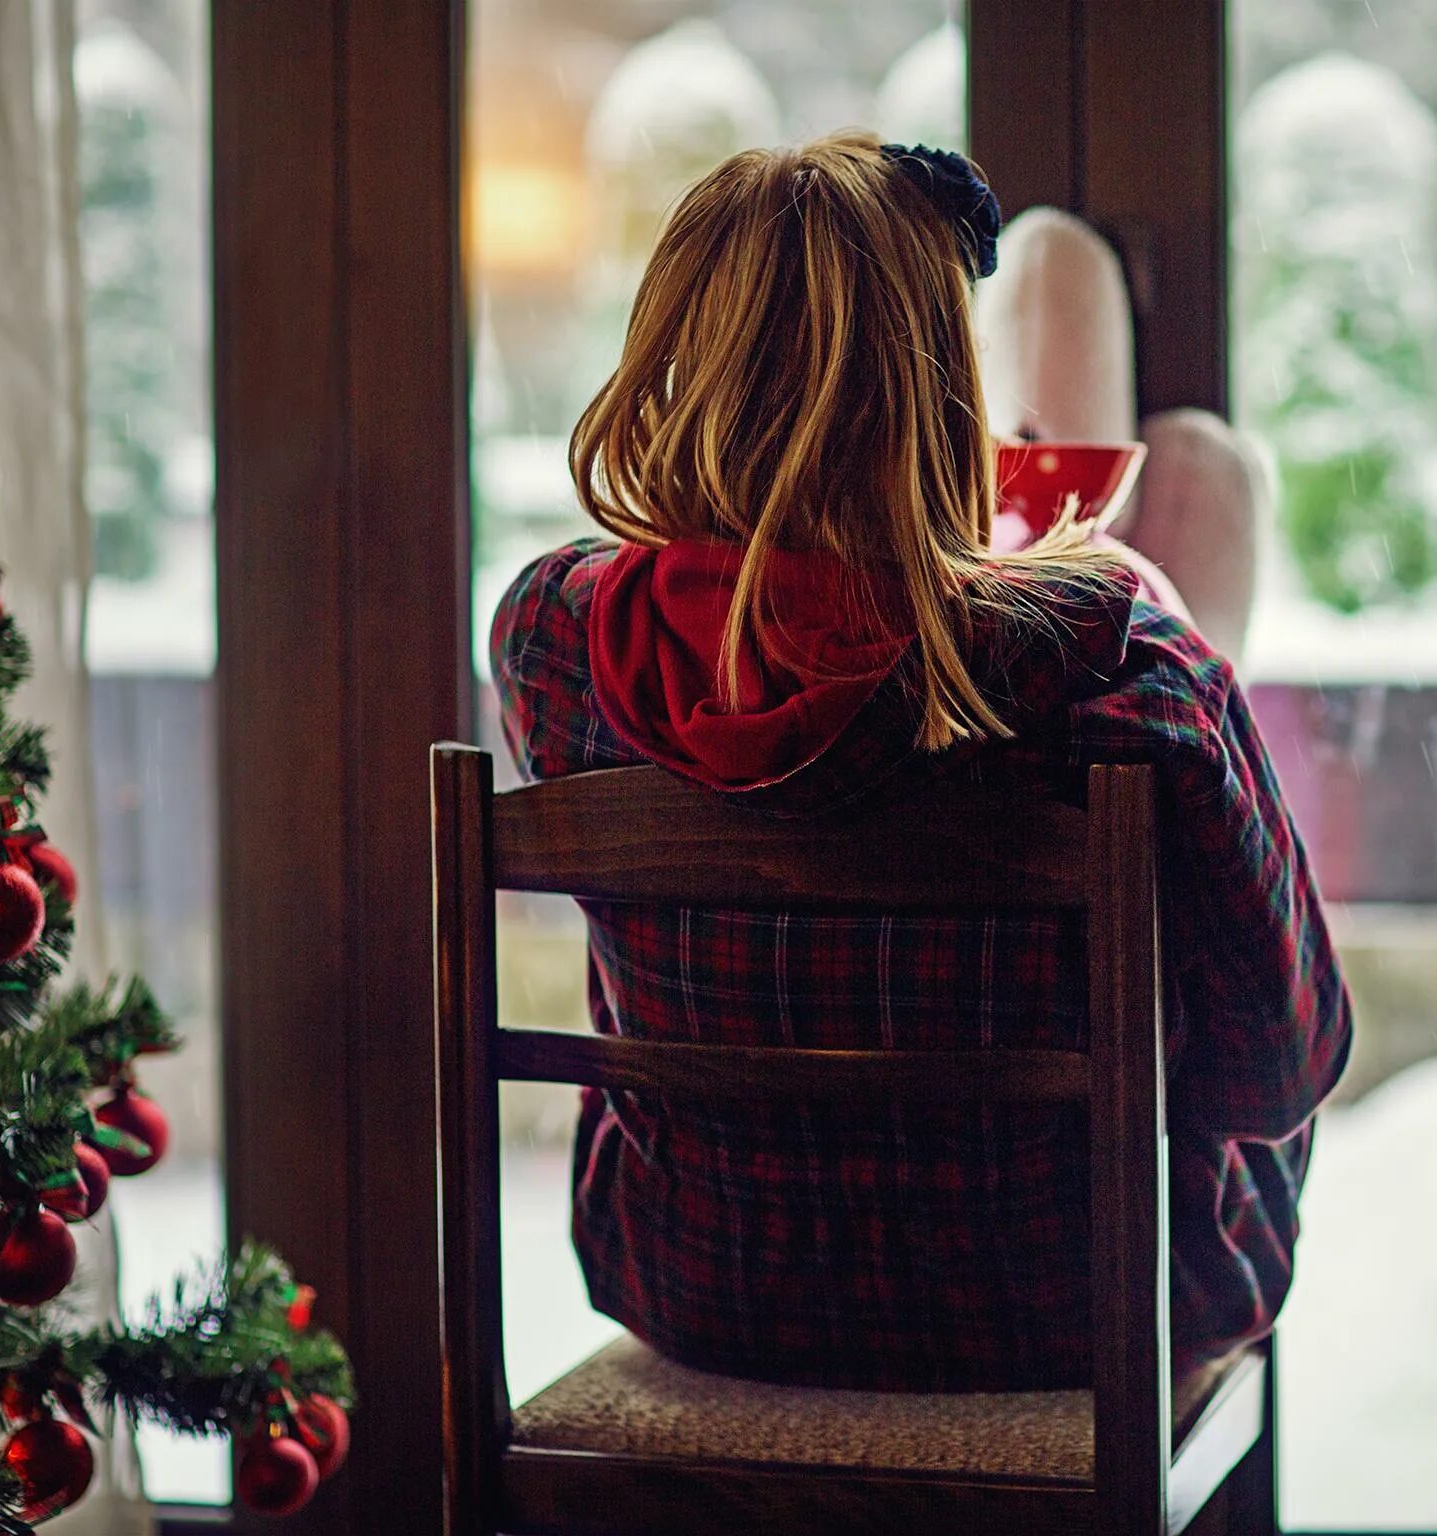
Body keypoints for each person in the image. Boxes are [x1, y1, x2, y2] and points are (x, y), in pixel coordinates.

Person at [492, 131, 1350, 1392]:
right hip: (1085, 1313)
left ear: (668, 353)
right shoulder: (1120, 658)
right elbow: (1281, 1061)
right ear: (943, 384)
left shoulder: (549, 640)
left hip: (698, 1284)